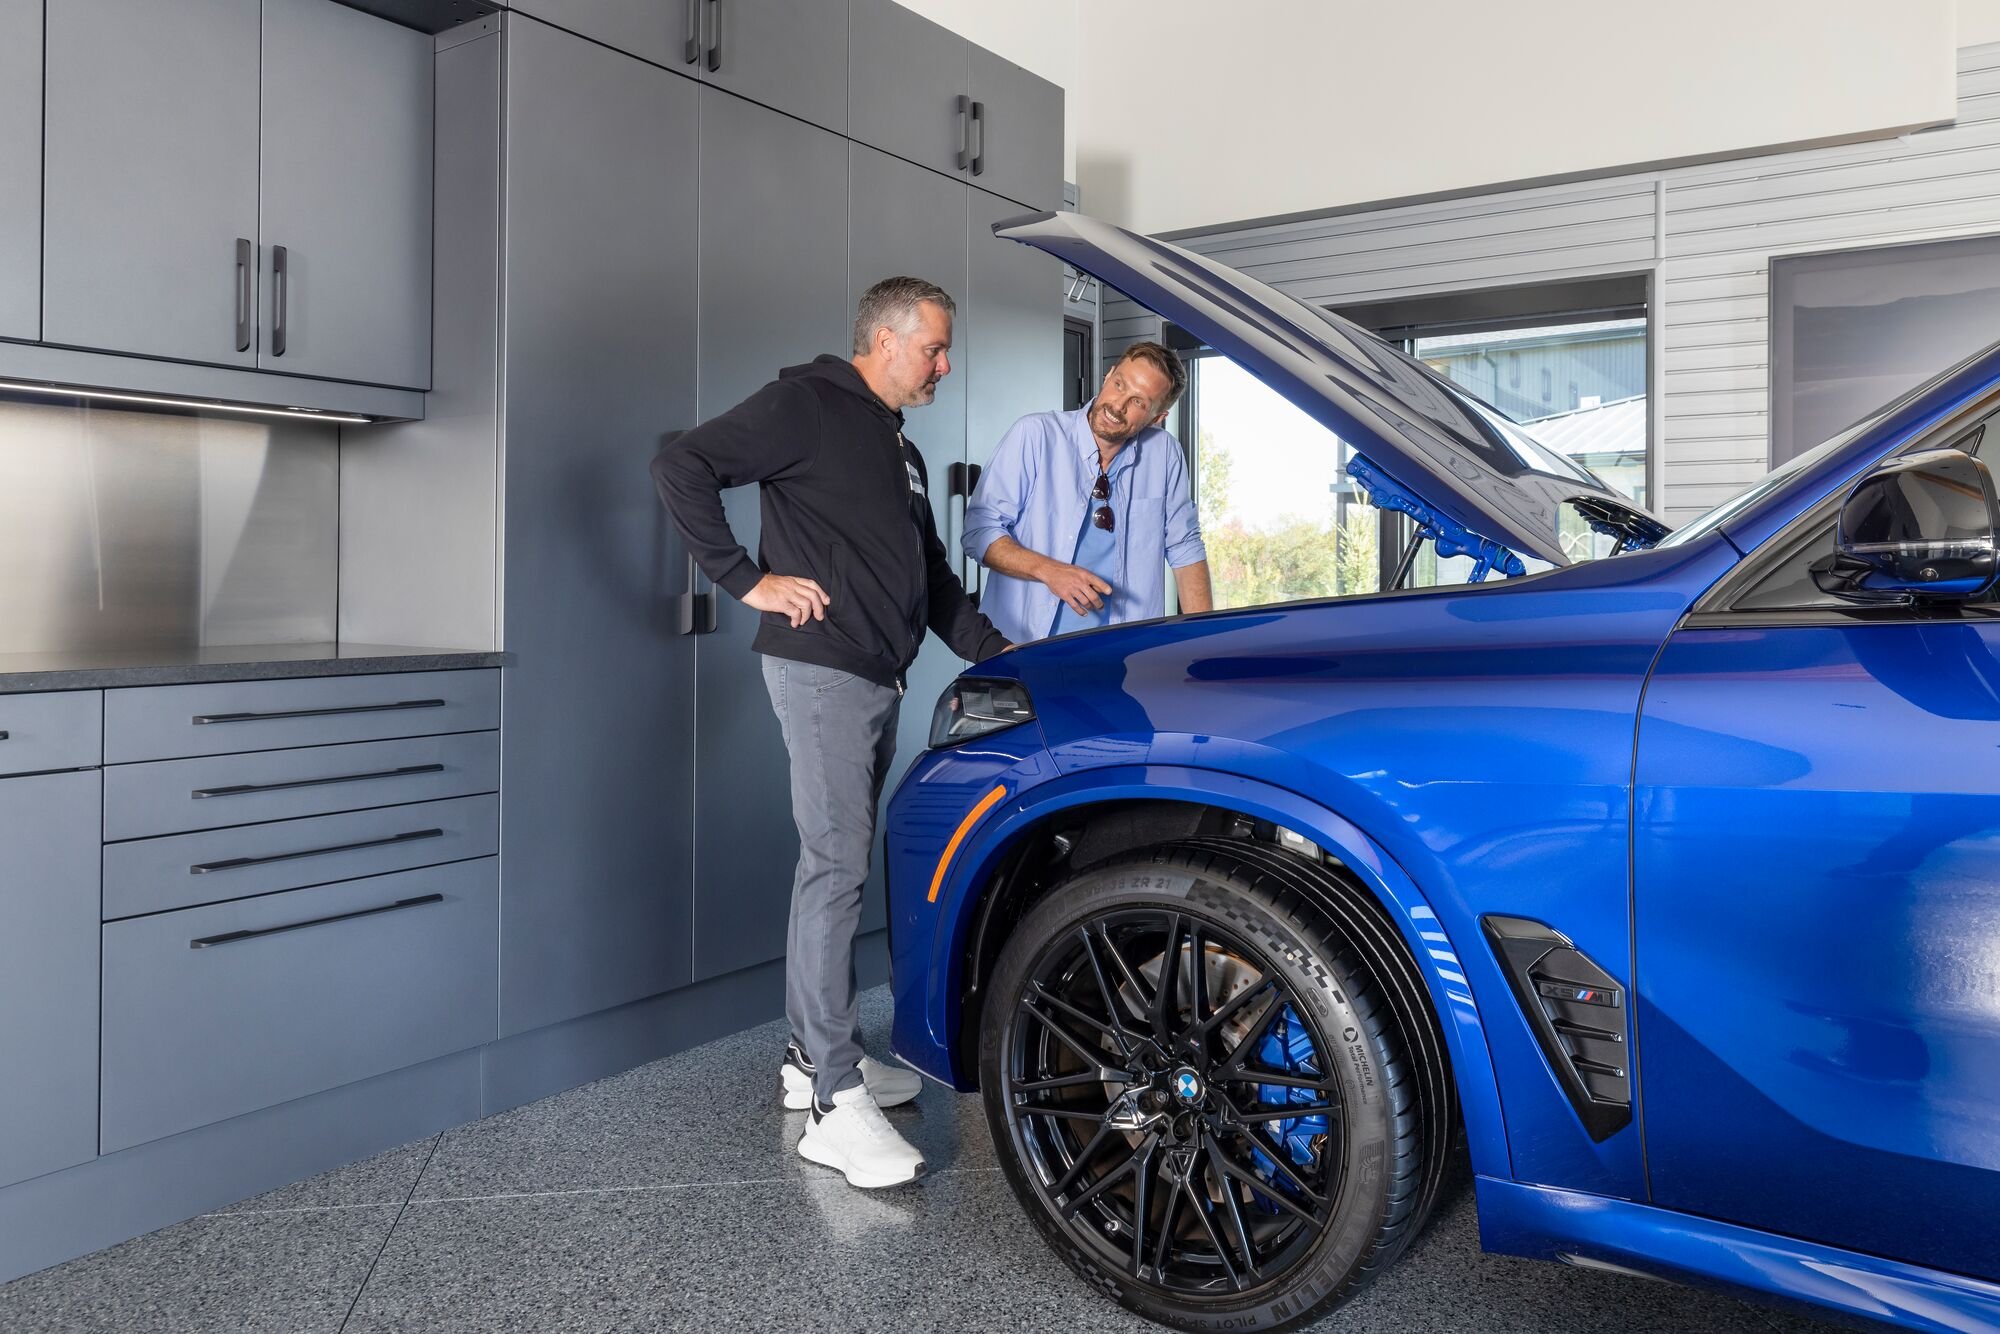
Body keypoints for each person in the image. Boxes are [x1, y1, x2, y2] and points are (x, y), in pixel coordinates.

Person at [652, 277, 1009, 1190]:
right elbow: (683, 465)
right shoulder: (806, 405)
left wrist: (1005, 655)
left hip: (876, 676)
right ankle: (834, 1105)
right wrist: (746, 580)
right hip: (823, 671)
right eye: (933, 347)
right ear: (885, 341)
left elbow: (931, 576)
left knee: (836, 864)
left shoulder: (899, 445)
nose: (944, 364)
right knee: (837, 865)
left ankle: (813, 1057)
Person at [963, 342, 1212, 644]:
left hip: (1123, 653)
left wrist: (1204, 645)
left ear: (1157, 417)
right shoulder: (1035, 435)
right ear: (1108, 375)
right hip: (1022, 646)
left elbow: (1185, 547)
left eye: (1138, 402)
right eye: (1119, 384)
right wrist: (1049, 571)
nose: (1118, 406)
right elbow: (979, 532)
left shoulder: (1165, 453)